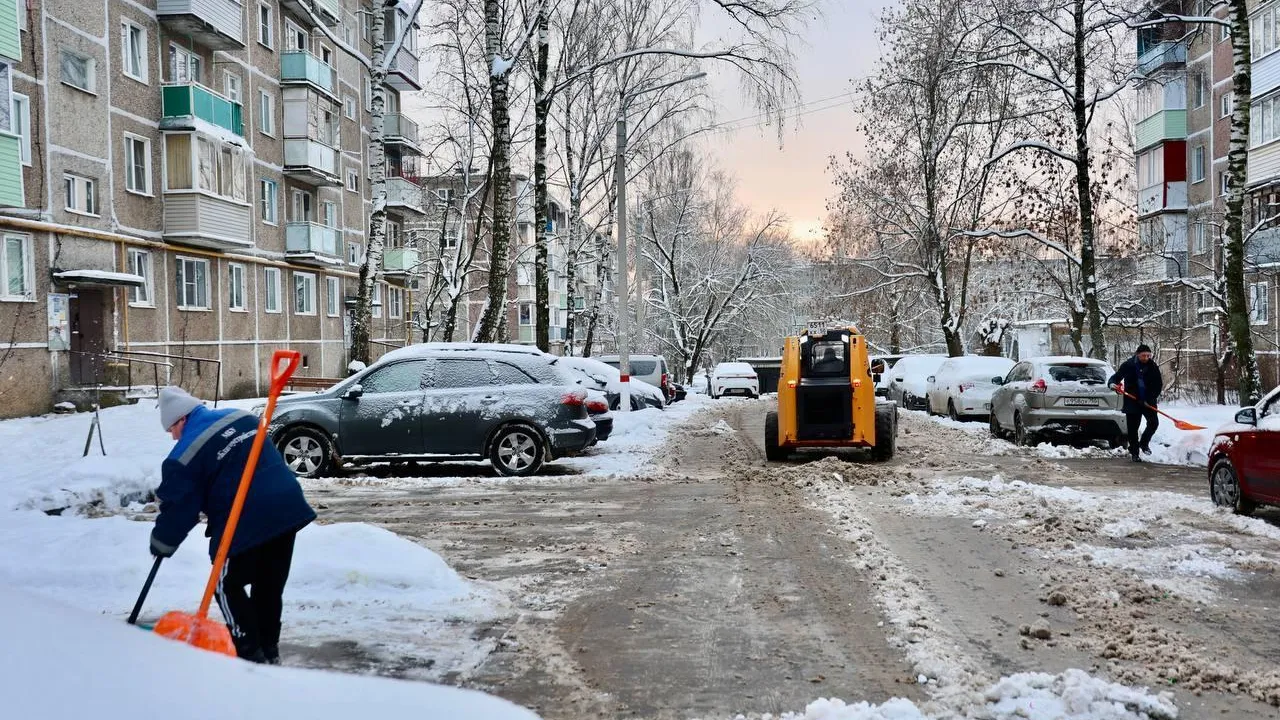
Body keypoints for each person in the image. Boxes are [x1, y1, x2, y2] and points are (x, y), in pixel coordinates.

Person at [150, 386, 316, 664]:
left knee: (225, 584)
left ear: (182, 419)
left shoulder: (183, 455)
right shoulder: (243, 418)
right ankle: (269, 652)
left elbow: (179, 508)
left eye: (172, 429)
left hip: (246, 517)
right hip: (287, 509)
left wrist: (162, 542)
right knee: (268, 586)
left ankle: (249, 652)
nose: (173, 437)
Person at [1108, 344, 1163, 463]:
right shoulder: (1128, 365)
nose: (1146, 358)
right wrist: (1112, 384)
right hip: (1132, 401)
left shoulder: (1153, 366)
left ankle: (1144, 443)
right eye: (1143, 355)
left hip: (1148, 401)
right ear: (1137, 354)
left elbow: (1158, 385)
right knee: (1133, 429)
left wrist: (1149, 398)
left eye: (1148, 355)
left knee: (1153, 423)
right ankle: (1134, 452)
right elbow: (1116, 377)